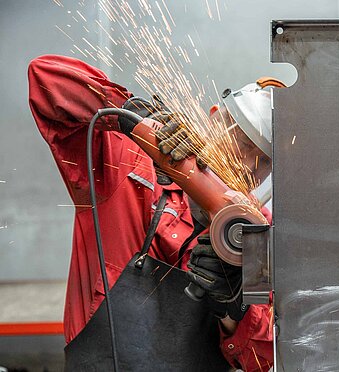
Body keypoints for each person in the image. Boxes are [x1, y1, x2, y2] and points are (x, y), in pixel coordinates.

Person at [28, 54, 273, 371]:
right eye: (241, 141)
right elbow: (45, 78)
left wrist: (232, 310)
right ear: (213, 119)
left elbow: (263, 361)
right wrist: (134, 114)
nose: (246, 164)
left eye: (264, 159)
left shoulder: (255, 233)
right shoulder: (127, 166)